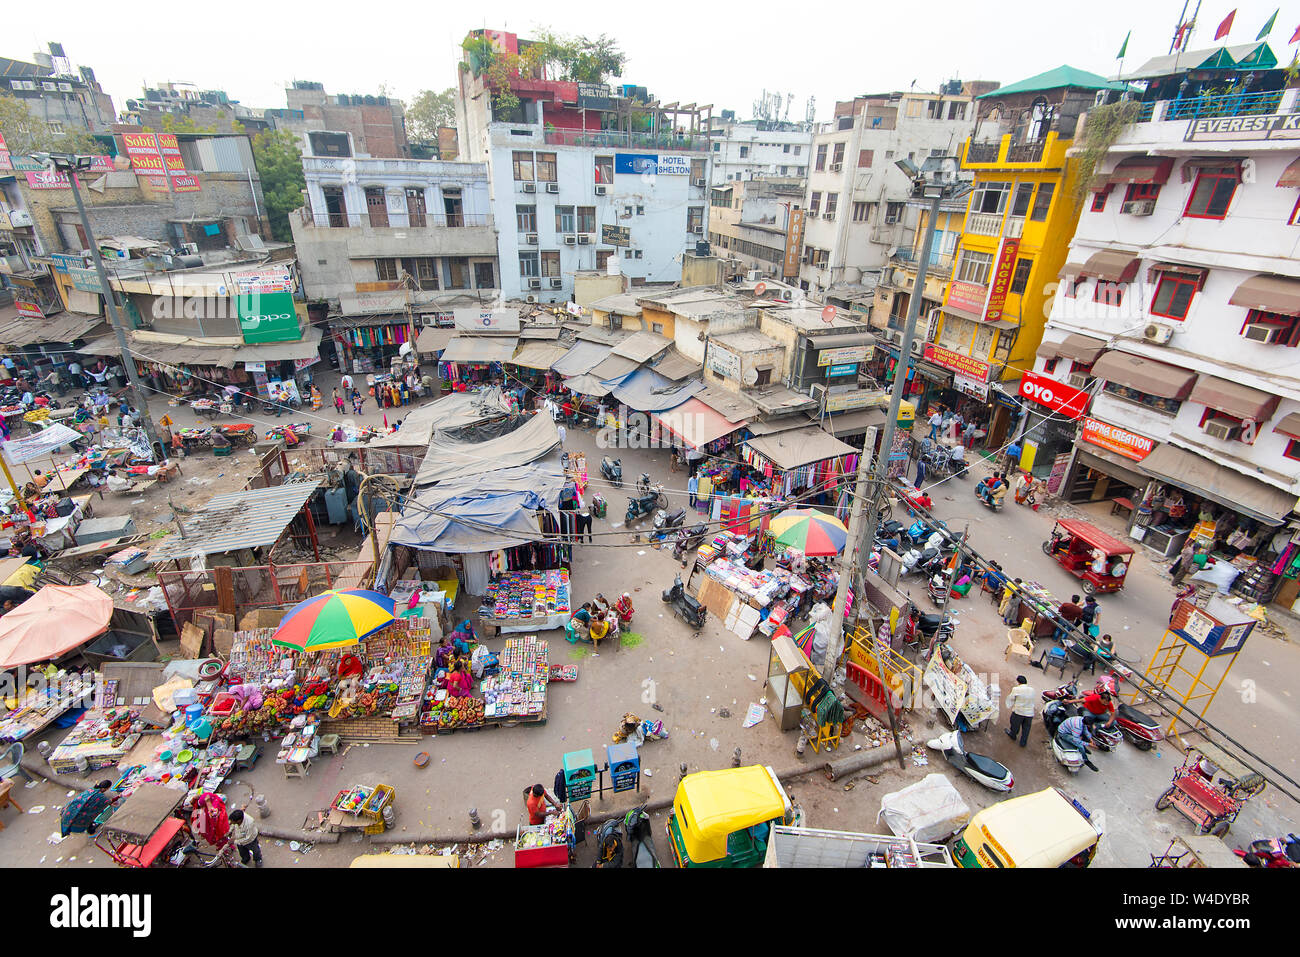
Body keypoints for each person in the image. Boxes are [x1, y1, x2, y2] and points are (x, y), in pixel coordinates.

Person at [1004, 675, 1035, 747]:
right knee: (1026, 728)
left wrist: (1009, 705)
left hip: (1019, 712)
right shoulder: (1032, 689)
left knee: (1014, 724)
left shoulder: (1016, 689)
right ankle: (1023, 742)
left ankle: (1013, 735)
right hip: (1029, 713)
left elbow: (1011, 698)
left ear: (1019, 682)